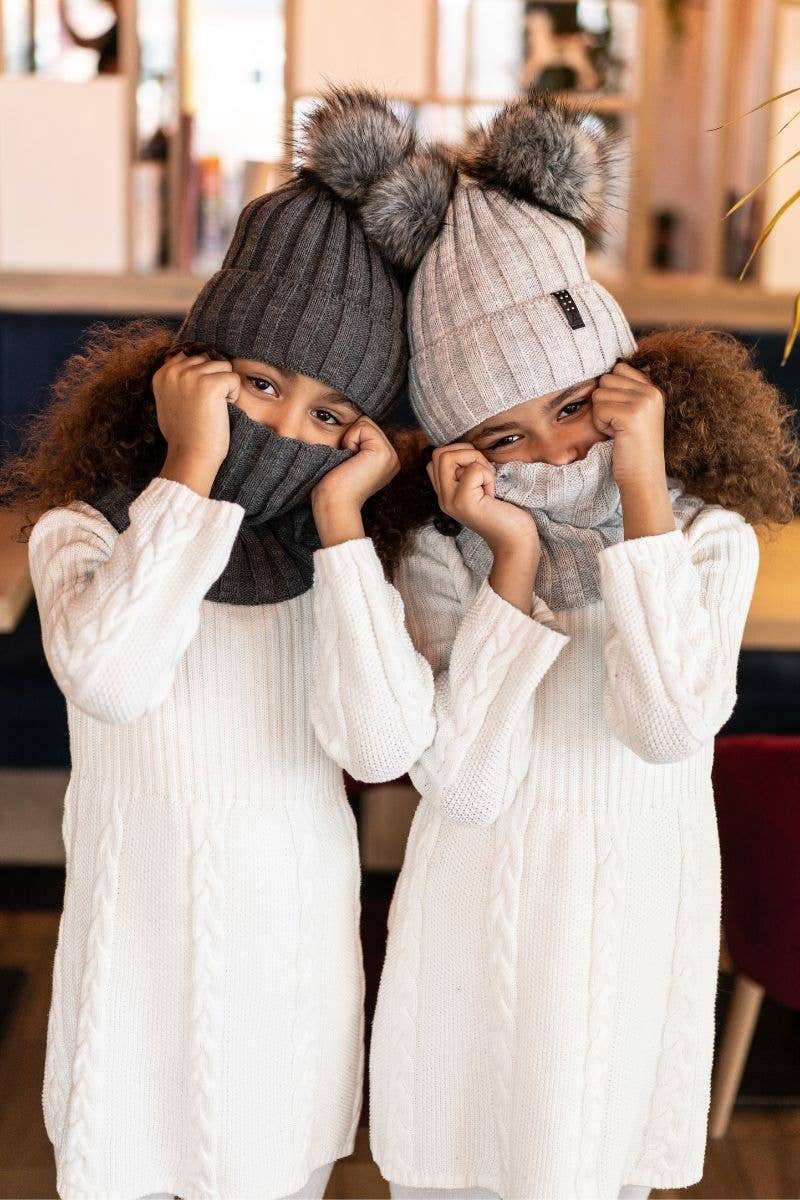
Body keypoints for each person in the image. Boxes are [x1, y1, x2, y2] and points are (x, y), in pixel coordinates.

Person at [310, 89, 800, 1200]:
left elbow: (667, 723)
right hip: (477, 939)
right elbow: (465, 786)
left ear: (627, 387)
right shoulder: (446, 556)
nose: (555, 451)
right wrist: (514, 563)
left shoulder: (704, 540)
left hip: (629, 936)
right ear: (456, 449)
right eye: (504, 435)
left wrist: (641, 487)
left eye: (576, 405)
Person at [0, 90, 436, 1200]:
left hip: (288, 995)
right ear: (191, 371)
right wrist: (189, 471)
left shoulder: (338, 566)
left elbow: (384, 746)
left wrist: (339, 524)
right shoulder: (90, 533)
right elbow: (111, 676)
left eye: (329, 415)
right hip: (130, 986)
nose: (284, 429)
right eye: (261, 384)